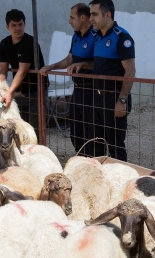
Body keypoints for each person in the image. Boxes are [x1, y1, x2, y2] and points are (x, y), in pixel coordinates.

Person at [69, 0, 135, 161]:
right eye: (90, 14)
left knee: (115, 145)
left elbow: (130, 70)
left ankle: (120, 181)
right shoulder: (97, 37)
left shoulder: (122, 37)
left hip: (113, 97)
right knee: (94, 144)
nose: (91, 19)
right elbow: (99, 65)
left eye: (94, 14)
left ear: (107, 14)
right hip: (96, 98)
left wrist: (122, 100)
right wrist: (82, 64)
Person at [39, 3, 96, 157]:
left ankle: (93, 163)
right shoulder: (76, 37)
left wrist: (83, 64)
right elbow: (69, 59)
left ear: (82, 18)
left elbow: (101, 64)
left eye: (72, 18)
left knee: (91, 133)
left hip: (92, 90)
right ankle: (82, 160)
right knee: (76, 132)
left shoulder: (96, 36)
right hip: (77, 89)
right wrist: (52, 66)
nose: (69, 22)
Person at [0, 9, 49, 131]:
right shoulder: (4, 44)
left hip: (36, 90)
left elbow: (22, 71)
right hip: (18, 91)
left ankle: (37, 149)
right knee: (19, 127)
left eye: (20, 24)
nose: (17, 28)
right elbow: (2, 69)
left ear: (24, 24)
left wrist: (8, 92)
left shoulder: (30, 42)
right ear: (7, 26)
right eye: (14, 25)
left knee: (35, 128)